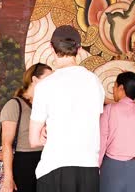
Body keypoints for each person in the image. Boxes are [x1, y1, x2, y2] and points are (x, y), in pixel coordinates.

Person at [29, 25, 105, 192]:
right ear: (79, 48)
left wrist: (45, 133)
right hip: (88, 168)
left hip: (55, 167)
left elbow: (34, 140)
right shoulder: (95, 82)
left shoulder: (45, 86)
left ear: (51, 47)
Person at [0, 63, 53, 192]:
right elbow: (6, 144)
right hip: (23, 163)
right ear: (34, 79)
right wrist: (8, 178)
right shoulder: (14, 105)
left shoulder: (48, 106)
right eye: (49, 78)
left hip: (46, 161)